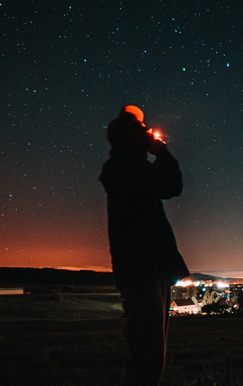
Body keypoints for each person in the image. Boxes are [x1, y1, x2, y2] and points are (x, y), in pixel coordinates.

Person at [99, 104, 190, 386]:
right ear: (126, 136)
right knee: (148, 355)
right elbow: (170, 186)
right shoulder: (123, 168)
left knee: (152, 353)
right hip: (142, 270)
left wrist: (156, 153)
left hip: (149, 269)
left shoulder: (130, 166)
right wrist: (160, 152)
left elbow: (169, 186)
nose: (147, 130)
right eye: (140, 127)